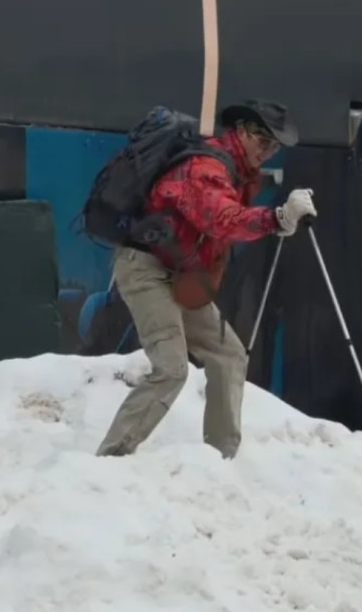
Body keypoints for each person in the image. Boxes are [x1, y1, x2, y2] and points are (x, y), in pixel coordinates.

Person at [96, 100, 316, 460]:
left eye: (274, 147)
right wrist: (276, 218)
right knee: (171, 369)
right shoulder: (206, 167)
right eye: (263, 141)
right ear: (241, 131)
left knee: (229, 355)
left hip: (179, 272)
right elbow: (222, 218)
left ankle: (220, 459)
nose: (267, 152)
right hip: (145, 267)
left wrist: (274, 220)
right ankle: (111, 458)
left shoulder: (236, 170)